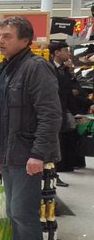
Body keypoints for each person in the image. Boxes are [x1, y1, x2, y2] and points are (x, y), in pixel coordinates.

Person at [0, 17, 60, 240]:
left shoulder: (35, 68)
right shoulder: (8, 68)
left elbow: (49, 115)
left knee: (24, 216)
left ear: (25, 40)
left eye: (6, 36)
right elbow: (5, 115)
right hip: (11, 155)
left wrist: (38, 154)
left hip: (27, 155)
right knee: (14, 214)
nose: (1, 41)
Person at [50, 42, 82, 178]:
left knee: (62, 141)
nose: (68, 53)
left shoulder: (66, 70)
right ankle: (53, 174)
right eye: (65, 50)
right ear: (57, 52)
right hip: (52, 111)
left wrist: (76, 113)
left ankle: (57, 172)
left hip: (63, 110)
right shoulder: (48, 68)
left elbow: (70, 92)